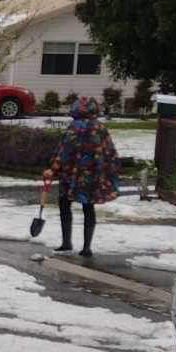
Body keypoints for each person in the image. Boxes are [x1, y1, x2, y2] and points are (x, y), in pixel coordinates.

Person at [43, 97, 120, 257]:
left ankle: (66, 243)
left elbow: (64, 151)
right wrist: (108, 172)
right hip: (91, 175)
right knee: (88, 207)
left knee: (65, 204)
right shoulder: (101, 128)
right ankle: (86, 248)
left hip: (70, 173)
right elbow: (110, 152)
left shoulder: (74, 127)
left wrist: (53, 168)